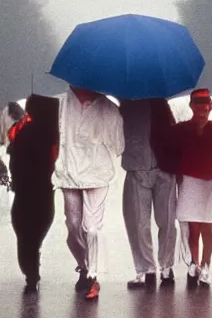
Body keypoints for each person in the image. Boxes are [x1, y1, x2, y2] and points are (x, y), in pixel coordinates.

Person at [53, 87, 124, 300]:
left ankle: (93, 276)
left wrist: (103, 131)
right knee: (73, 226)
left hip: (98, 174)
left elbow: (118, 145)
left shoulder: (109, 108)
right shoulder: (61, 105)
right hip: (68, 173)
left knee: (92, 228)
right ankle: (83, 266)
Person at [164, 89, 212, 288]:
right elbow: (169, 147)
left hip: (206, 182)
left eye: (205, 104)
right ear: (191, 106)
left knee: (206, 227)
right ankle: (194, 264)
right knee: (191, 228)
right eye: (198, 103)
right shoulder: (181, 129)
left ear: (210, 106)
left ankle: (206, 265)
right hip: (188, 180)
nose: (202, 108)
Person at [120, 99, 178, 289]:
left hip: (164, 168)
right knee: (138, 222)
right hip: (137, 167)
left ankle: (165, 267)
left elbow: (173, 132)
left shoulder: (160, 103)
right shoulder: (126, 105)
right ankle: (147, 269)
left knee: (167, 220)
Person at [7, 95, 59, 293]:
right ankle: (32, 265)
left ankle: (31, 270)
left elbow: (15, 162)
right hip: (45, 192)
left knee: (24, 233)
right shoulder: (53, 134)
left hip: (24, 192)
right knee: (35, 233)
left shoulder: (22, 132)